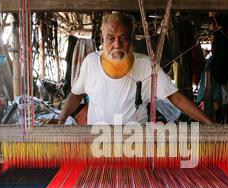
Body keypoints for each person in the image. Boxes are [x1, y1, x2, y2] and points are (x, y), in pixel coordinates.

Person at [58, 12, 212, 125]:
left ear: (131, 39)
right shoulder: (90, 63)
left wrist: (209, 123)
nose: (117, 45)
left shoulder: (146, 66)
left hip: (135, 144)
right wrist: (61, 119)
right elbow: (76, 94)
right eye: (111, 38)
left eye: (123, 38)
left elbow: (176, 98)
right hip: (98, 142)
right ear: (102, 38)